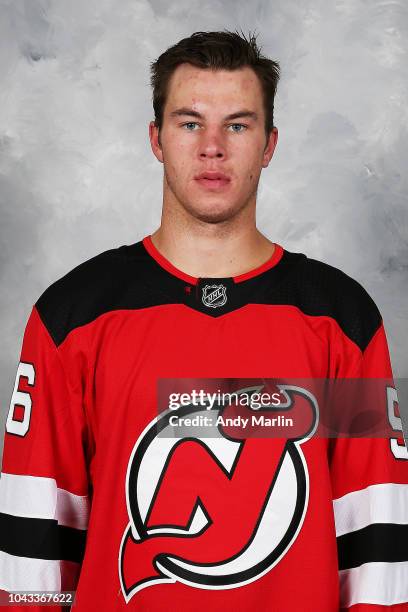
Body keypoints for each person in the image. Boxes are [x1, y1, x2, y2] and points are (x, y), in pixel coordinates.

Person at [0, 29, 407, 612]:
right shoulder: (74, 316)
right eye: (190, 123)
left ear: (269, 144)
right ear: (156, 139)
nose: (212, 147)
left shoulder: (339, 318)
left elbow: (376, 549)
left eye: (237, 125)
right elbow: (35, 551)